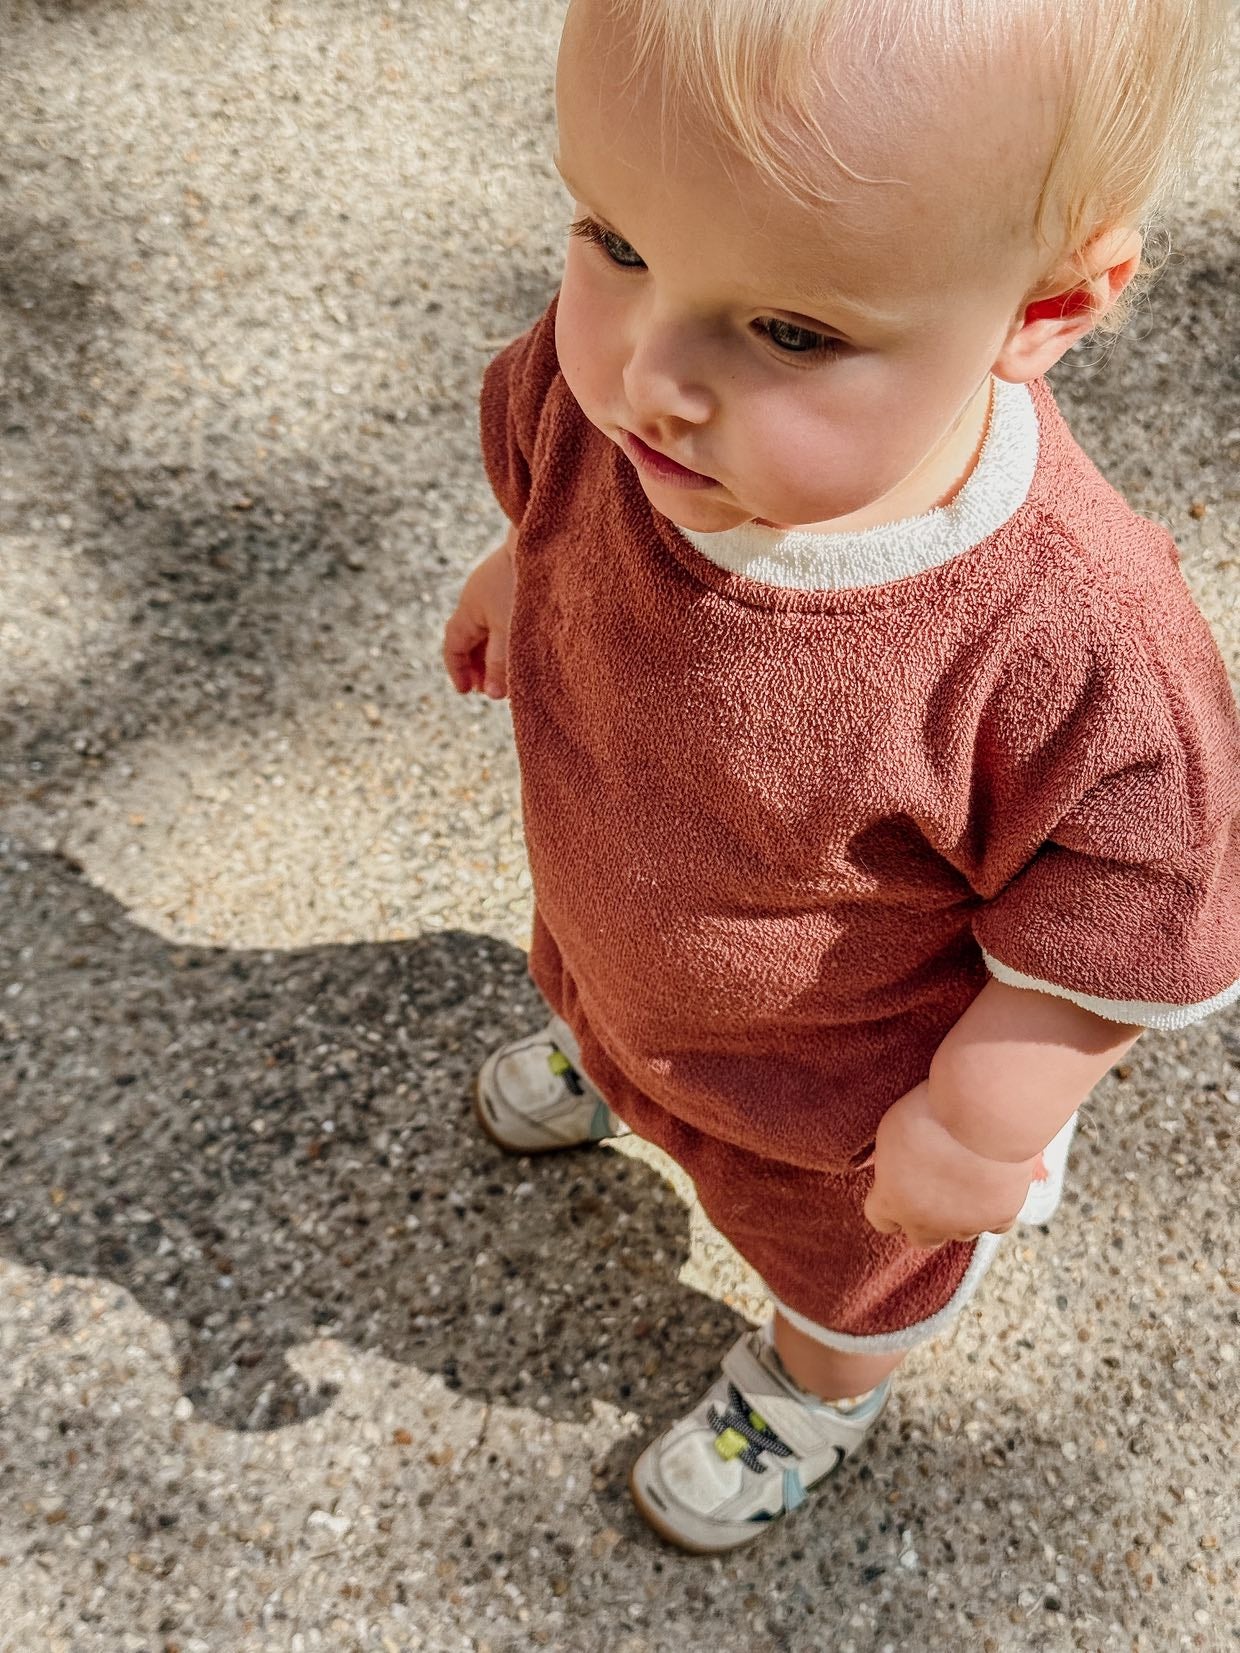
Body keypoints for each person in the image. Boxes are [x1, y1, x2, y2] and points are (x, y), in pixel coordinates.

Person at [442, 0, 1239, 1553]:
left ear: (1046, 308)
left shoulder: (1067, 634)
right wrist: (521, 567)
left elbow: (1141, 906)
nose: (650, 374)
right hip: (626, 926)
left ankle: (814, 1390)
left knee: (850, 1267)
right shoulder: (628, 404)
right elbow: (552, 478)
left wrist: (986, 1121)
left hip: (833, 1099)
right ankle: (615, 1061)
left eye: (793, 333)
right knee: (600, 983)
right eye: (616, 239)